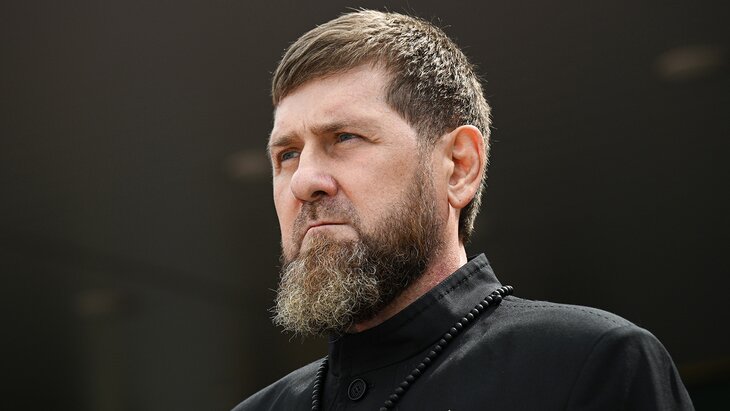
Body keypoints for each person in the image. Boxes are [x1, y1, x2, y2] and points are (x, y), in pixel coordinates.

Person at [233, 10, 693, 411]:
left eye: (345, 138)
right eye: (287, 154)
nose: (304, 181)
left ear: (458, 166)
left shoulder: (590, 363)